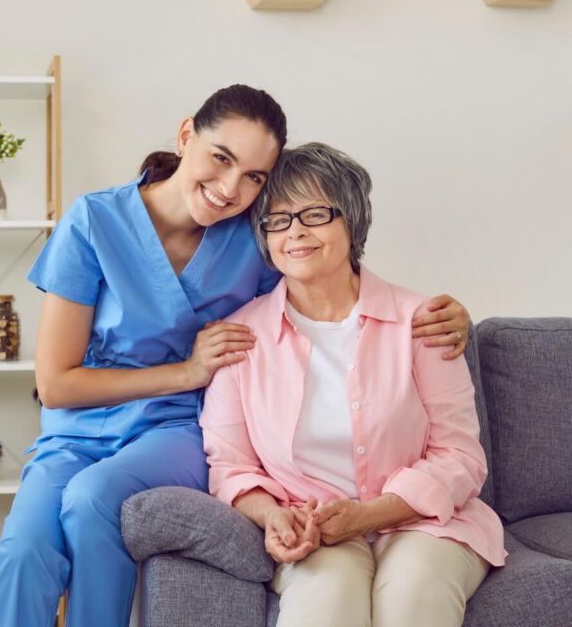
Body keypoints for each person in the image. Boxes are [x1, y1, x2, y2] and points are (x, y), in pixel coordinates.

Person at [0, 87, 472, 627]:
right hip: (76, 427)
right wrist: (187, 371)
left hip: (174, 428)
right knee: (21, 552)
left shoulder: (255, 235)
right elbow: (55, 385)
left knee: (91, 499)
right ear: (187, 134)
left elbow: (326, 288)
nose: (230, 189)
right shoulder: (94, 222)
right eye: (221, 158)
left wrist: (446, 316)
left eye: (254, 178)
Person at [200, 142, 506, 627]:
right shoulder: (241, 338)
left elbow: (460, 456)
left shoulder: (422, 323)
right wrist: (271, 516)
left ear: (352, 221)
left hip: (426, 522)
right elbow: (230, 465)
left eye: (314, 213)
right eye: (277, 219)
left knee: (411, 597)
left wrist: (369, 516)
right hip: (313, 529)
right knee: (324, 605)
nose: (294, 231)